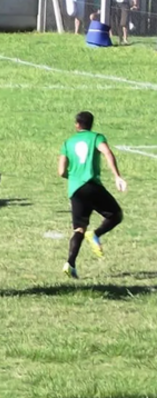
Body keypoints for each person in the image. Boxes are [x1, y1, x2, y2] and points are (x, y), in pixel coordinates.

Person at [58, 111, 126, 278]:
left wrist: (73, 177)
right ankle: (96, 234)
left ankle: (70, 264)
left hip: (75, 189)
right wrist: (117, 176)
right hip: (91, 185)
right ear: (91, 124)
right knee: (115, 214)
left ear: (77, 124)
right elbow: (107, 153)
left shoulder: (68, 142)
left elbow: (61, 171)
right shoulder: (96, 137)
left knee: (79, 229)